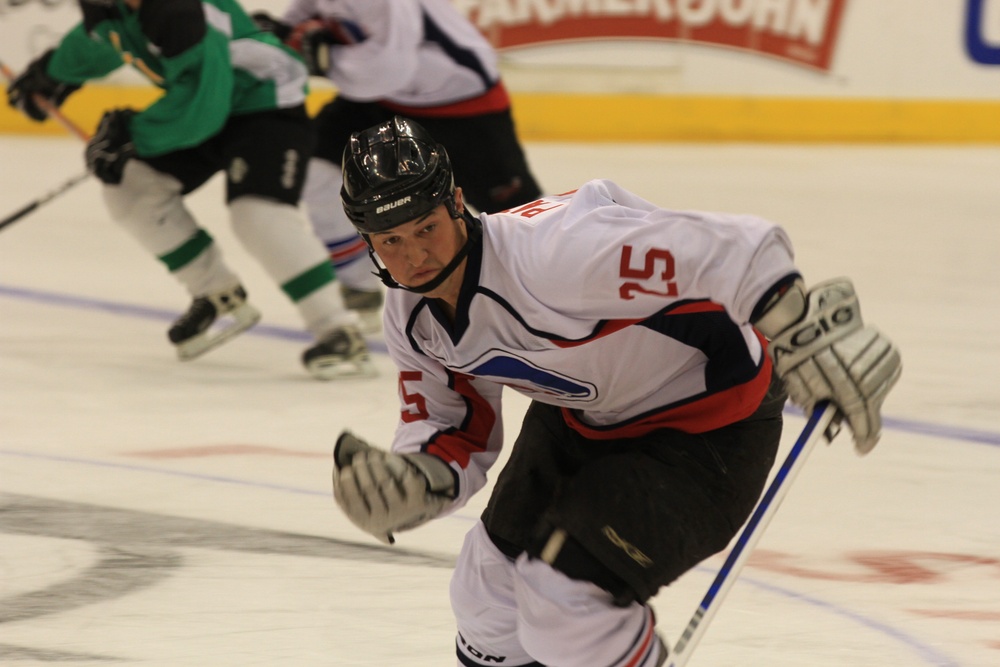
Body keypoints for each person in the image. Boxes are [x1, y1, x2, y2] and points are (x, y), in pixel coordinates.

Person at [328, 117, 902, 666]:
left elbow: (738, 247)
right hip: (584, 416)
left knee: (563, 602)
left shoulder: (555, 253)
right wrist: (418, 477)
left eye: (425, 227)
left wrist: (799, 323)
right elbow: (453, 428)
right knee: (485, 594)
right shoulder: (410, 316)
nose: (415, 256)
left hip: (708, 429)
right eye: (390, 240)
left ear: (456, 202)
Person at [5, 0, 374, 380]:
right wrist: (51, 72)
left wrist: (132, 135)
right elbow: (102, 39)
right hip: (208, 103)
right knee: (130, 187)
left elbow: (203, 103)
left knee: (258, 215)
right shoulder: (112, 7)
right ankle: (216, 292)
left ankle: (337, 328)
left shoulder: (178, 10)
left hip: (264, 103)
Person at [251, 0, 544, 333]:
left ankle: (548, 291)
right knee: (317, 167)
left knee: (518, 218)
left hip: (460, 104)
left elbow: (389, 66)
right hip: (380, 98)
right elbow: (300, 24)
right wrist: (277, 36)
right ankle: (357, 287)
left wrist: (324, 57)